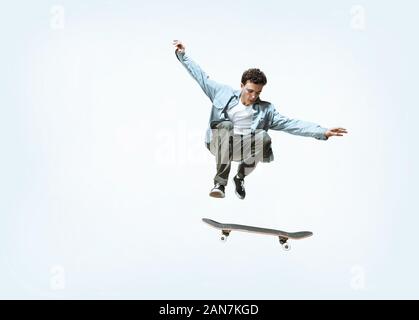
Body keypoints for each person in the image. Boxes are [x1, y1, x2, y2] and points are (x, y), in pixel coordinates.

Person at [173, 40, 347, 199]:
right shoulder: (222, 92)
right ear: (242, 86)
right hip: (218, 143)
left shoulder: (266, 110)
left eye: (258, 92)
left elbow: (291, 124)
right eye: (250, 91)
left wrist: (322, 131)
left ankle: (240, 177)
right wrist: (182, 55)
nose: (254, 96)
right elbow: (201, 77)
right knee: (225, 125)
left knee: (264, 137)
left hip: (243, 147)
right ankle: (220, 184)